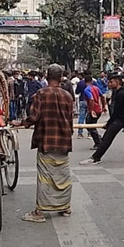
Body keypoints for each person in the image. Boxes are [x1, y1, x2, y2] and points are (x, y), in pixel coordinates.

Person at [14, 64, 74, 223]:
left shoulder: (41, 94)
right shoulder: (67, 95)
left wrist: (21, 123)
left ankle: (40, 212)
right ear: (61, 78)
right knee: (62, 175)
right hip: (64, 140)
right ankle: (65, 207)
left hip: (46, 140)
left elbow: (34, 117)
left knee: (45, 177)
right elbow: (70, 119)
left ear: (47, 77)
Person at [79, 72, 124, 165]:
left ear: (117, 82)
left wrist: (109, 123)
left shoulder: (121, 94)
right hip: (123, 118)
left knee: (107, 137)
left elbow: (117, 111)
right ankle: (96, 156)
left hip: (122, 119)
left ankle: (96, 158)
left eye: (111, 82)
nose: (109, 84)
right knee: (106, 137)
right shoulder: (123, 92)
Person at [83, 75, 105, 149]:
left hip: (94, 109)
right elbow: (102, 96)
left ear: (85, 82)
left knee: (90, 126)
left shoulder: (87, 89)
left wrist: (91, 110)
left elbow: (91, 99)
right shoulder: (96, 88)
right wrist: (104, 106)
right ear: (92, 81)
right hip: (98, 109)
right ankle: (99, 138)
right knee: (91, 125)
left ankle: (98, 142)